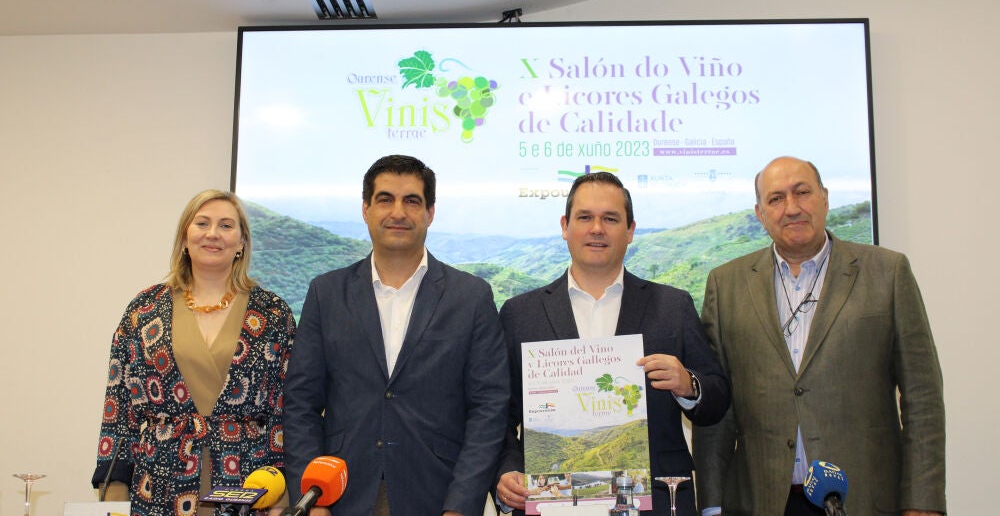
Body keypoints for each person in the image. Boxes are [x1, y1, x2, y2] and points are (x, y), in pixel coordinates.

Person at [692, 156, 946, 515]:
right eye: (776, 199)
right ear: (760, 213)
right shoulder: (726, 284)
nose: (791, 208)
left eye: (802, 192)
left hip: (864, 500)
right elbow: (717, 409)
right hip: (761, 502)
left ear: (824, 198)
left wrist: (922, 502)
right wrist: (711, 505)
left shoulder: (887, 273)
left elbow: (923, 397)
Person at [283, 154, 509, 516]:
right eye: (385, 199)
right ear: (366, 209)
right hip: (341, 494)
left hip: (438, 494)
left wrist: (461, 505)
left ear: (430, 212)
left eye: (412, 201)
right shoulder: (327, 293)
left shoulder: (471, 296)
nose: (398, 212)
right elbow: (300, 403)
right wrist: (311, 499)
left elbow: (489, 407)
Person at [494, 172, 730, 516]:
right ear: (565, 226)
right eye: (585, 217)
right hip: (552, 501)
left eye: (610, 218)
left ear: (630, 230)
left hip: (657, 501)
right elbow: (497, 413)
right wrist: (506, 471)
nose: (597, 229)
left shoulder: (673, 306)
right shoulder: (520, 314)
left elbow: (718, 398)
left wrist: (688, 384)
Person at [92, 190, 297, 516]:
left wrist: (281, 493)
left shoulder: (272, 314)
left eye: (226, 225)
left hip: (247, 482)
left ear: (242, 242)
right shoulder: (144, 309)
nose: (213, 233)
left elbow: (284, 410)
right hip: (159, 482)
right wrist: (114, 488)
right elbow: (118, 406)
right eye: (202, 223)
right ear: (185, 238)